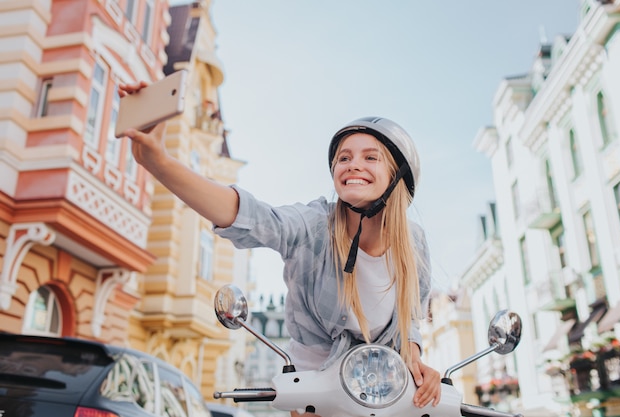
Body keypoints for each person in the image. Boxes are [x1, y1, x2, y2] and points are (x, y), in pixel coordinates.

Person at [118, 83, 442, 412]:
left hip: (377, 392)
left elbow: (410, 318)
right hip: (314, 392)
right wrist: (158, 162)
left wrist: (415, 362)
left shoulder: (413, 244)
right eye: (344, 157)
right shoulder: (314, 225)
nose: (353, 164)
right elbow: (257, 218)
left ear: (398, 176)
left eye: (370, 157)